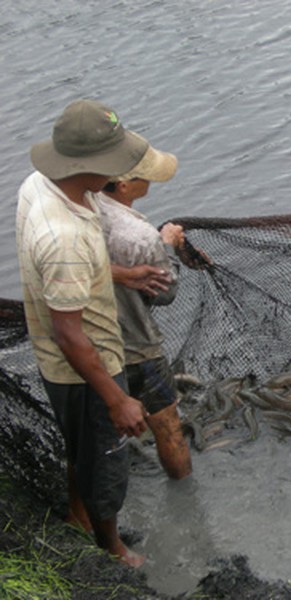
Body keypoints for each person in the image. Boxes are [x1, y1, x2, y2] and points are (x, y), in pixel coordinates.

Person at [16, 99, 155, 567]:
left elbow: (67, 276)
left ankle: (78, 516)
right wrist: (118, 400)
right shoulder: (64, 237)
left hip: (60, 367)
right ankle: (111, 548)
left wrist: (119, 274)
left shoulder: (41, 185)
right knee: (107, 460)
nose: (120, 175)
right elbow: (70, 334)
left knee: (81, 448)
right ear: (90, 168)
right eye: (113, 164)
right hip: (86, 366)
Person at [95, 141, 193, 480]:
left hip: (90, 351)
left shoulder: (81, 208)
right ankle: (183, 487)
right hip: (137, 349)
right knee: (168, 426)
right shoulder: (139, 237)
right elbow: (166, 293)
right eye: (145, 177)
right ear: (124, 185)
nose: (151, 181)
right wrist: (166, 245)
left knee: (95, 436)